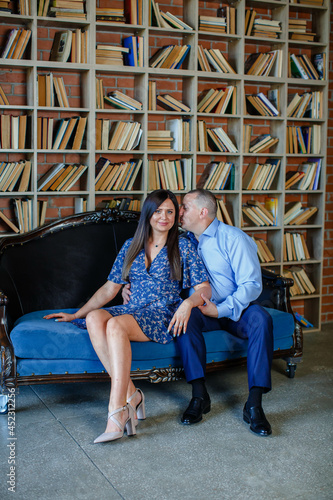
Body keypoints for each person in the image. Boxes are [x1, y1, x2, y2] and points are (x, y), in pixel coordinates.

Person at [44, 189, 211, 444]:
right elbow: (110, 288)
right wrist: (76, 313)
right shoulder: (130, 246)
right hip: (133, 308)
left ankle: (117, 412)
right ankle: (133, 395)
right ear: (148, 214)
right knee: (94, 319)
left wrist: (188, 303)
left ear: (176, 215)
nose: (164, 217)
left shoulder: (184, 246)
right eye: (158, 211)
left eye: (170, 211)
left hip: (162, 312)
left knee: (115, 326)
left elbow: (204, 289)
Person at [176, 189, 274, 436]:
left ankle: (254, 404)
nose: (180, 212)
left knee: (262, 319)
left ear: (203, 211)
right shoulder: (181, 241)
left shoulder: (234, 238)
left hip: (235, 311)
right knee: (183, 318)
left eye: (184, 207)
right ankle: (199, 397)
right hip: (200, 309)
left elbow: (252, 285)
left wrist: (220, 310)